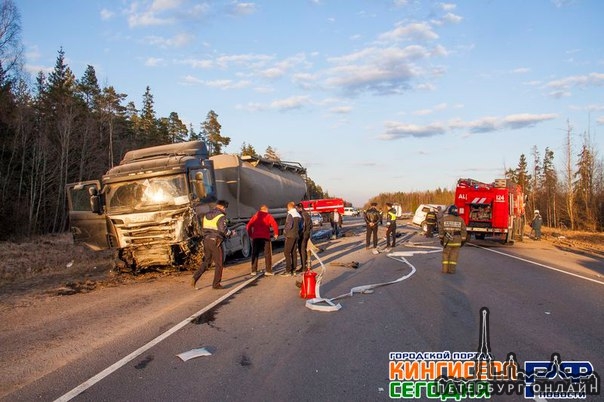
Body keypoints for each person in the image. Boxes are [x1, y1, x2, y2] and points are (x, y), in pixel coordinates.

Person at [192, 200, 231, 289]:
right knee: (219, 263)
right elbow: (223, 230)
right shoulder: (221, 216)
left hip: (206, 240)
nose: (225, 210)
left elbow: (204, 228)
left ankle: (195, 277)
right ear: (221, 207)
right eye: (225, 208)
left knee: (207, 261)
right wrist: (231, 233)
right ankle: (216, 284)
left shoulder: (206, 215)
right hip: (216, 241)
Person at [246, 204, 279, 276]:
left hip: (256, 237)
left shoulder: (255, 216)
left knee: (255, 253)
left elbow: (248, 225)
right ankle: (268, 270)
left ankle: (254, 270)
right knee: (267, 254)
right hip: (265, 237)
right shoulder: (268, 216)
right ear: (266, 210)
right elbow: (274, 224)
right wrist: (276, 233)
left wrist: (251, 235)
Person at [438, 205, 467, 274]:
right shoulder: (460, 219)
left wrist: (441, 238)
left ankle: (445, 270)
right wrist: (463, 240)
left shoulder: (444, 219)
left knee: (445, 255)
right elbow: (464, 230)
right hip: (457, 241)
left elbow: (441, 230)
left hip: (447, 240)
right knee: (454, 256)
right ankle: (452, 270)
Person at [281, 201, 301, 276]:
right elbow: (301, 226)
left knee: (286, 252)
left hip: (290, 235)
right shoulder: (298, 215)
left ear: (289, 207)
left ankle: (288, 270)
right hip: (296, 235)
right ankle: (294, 269)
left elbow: (289, 225)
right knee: (293, 252)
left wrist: (285, 231)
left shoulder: (290, 214)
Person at [296, 203, 312, 271]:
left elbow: (303, 226)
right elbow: (311, 225)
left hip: (303, 234)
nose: (296, 210)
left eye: (297, 208)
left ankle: (303, 267)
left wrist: (301, 232)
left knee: (302, 250)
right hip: (306, 233)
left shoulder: (303, 214)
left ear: (300, 208)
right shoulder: (306, 213)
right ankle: (304, 265)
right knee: (302, 249)